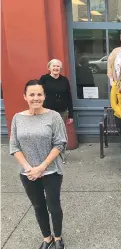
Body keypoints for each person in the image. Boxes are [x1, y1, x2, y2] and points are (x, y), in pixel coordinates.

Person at [10, 80, 67, 249]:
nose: (36, 98)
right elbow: (14, 146)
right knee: (38, 206)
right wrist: (29, 169)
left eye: (39, 94)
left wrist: (42, 167)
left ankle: (58, 237)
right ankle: (47, 237)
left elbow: (59, 144)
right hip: (28, 173)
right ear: (25, 97)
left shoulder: (54, 116)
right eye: (32, 94)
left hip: (51, 171)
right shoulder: (17, 118)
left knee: (53, 206)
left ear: (44, 96)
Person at [39, 59, 74, 124]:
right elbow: (38, 94)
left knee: (59, 132)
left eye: (58, 66)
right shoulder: (44, 79)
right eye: (54, 66)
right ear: (49, 68)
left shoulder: (64, 80)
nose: (56, 68)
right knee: (48, 132)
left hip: (62, 112)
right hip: (47, 111)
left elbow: (68, 97)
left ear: (60, 68)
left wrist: (70, 115)